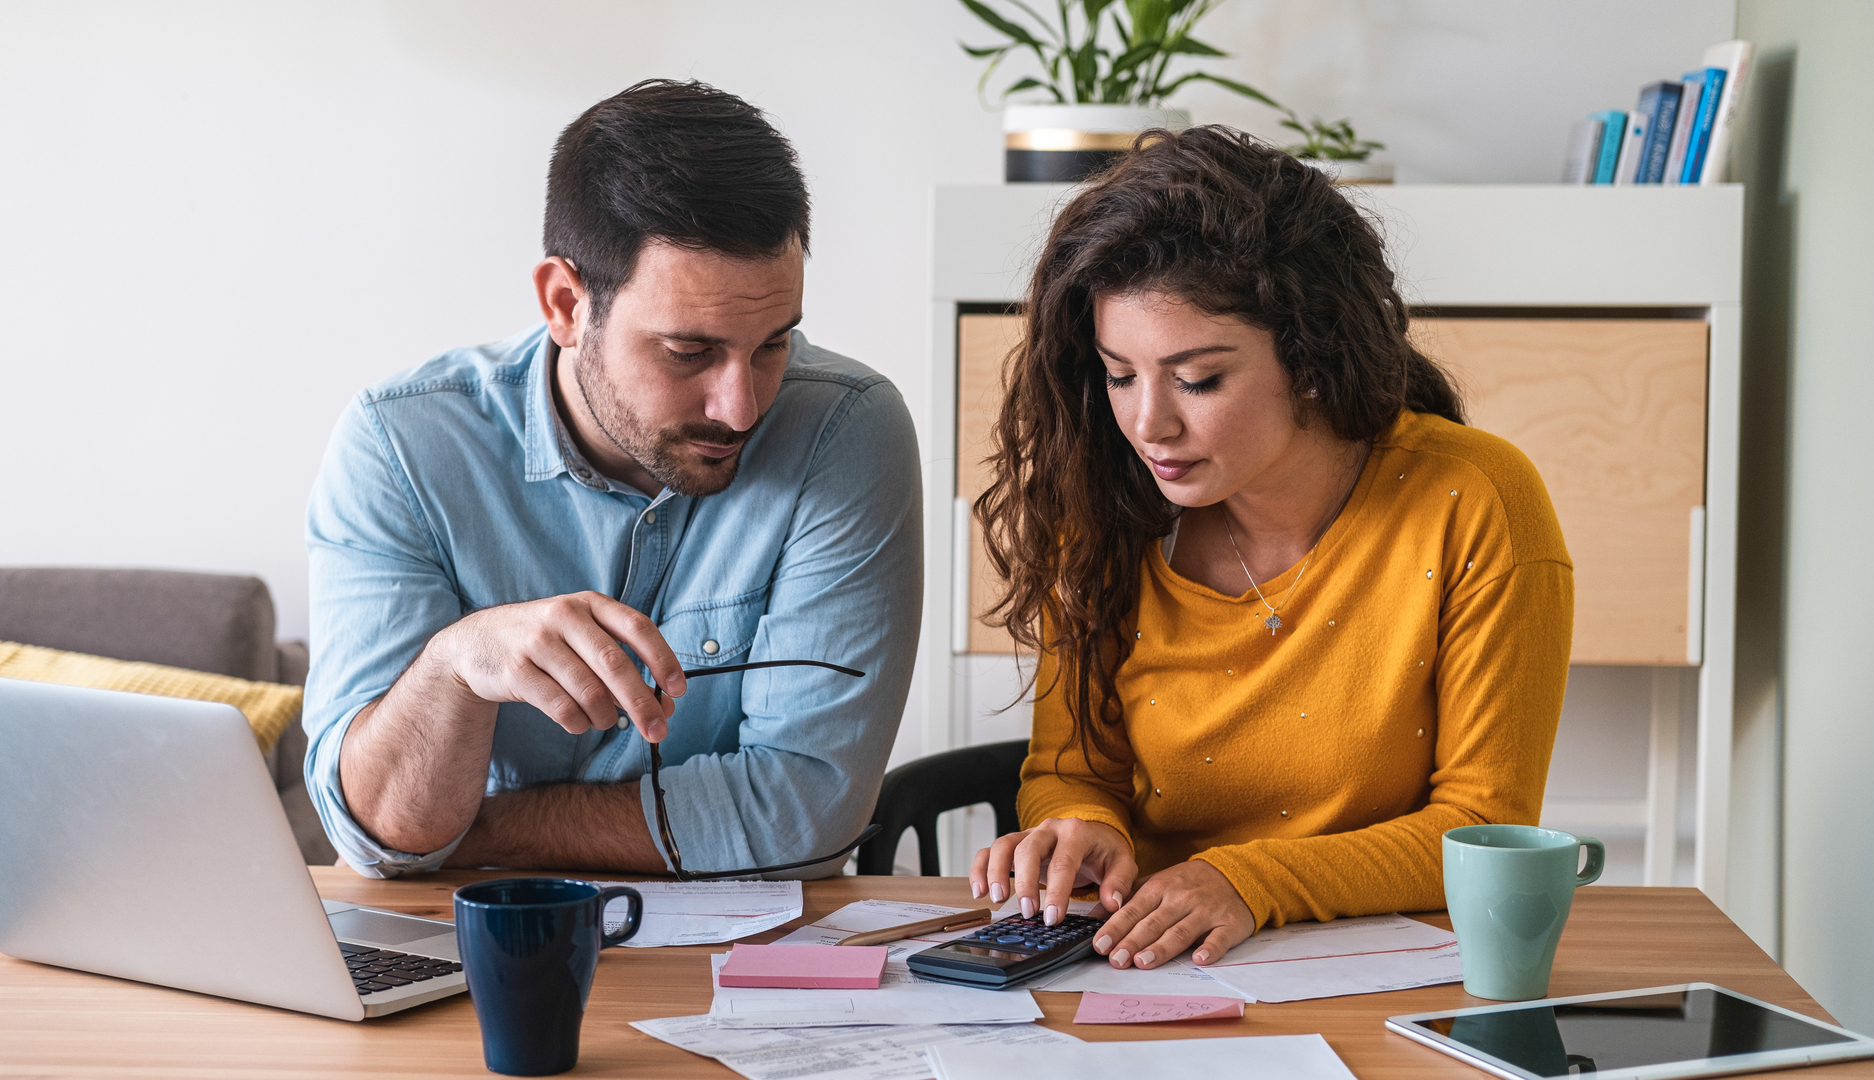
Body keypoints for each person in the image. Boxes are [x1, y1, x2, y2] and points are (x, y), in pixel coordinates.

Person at [968, 126, 1573, 970]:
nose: (1149, 424)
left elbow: (1479, 826)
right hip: (1146, 963)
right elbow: (1072, 770)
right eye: (1119, 374)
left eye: (1198, 379)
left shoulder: (1476, 501)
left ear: (1312, 356)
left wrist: (1249, 882)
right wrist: (1084, 829)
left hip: (1376, 971)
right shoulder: (1103, 507)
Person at [302, 80, 922, 879]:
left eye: (773, 344)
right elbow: (377, 830)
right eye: (688, 352)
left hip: (739, 971)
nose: (740, 408)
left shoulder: (845, 430)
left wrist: (471, 834)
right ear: (565, 303)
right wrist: (456, 666)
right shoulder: (399, 448)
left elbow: (805, 815)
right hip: (470, 954)